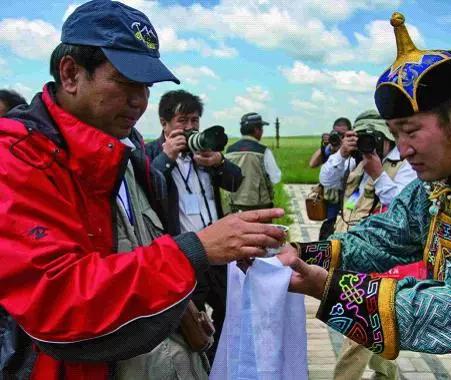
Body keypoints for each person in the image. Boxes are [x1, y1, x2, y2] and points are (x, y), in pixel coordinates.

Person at [0, 1, 285, 379]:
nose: (139, 100)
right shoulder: (18, 158)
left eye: (146, 86)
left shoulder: (124, 152)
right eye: (125, 81)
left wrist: (181, 308)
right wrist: (195, 251)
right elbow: (58, 300)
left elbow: (140, 245)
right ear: (71, 74)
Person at [279, 12, 451, 373]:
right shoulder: (443, 180)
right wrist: (300, 255)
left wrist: (330, 290)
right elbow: (386, 236)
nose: (403, 148)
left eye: (410, 130)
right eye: (395, 135)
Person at [145, 89, 243, 366]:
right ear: (164, 123)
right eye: (182, 120)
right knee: (189, 319)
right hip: (184, 252)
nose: (189, 128)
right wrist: (165, 160)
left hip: (219, 249)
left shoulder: (205, 150)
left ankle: (218, 361)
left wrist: (220, 162)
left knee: (231, 308)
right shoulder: (152, 154)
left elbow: (236, 182)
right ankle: (197, 365)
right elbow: (148, 191)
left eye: (195, 120)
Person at [331, 110, 417, 380]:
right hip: (352, 246)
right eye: (362, 137)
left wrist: (378, 173)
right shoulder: (354, 163)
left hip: (383, 256)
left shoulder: (406, 165)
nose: (368, 144)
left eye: (373, 137)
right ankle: (386, 373)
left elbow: (403, 206)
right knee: (379, 320)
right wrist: (342, 154)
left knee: (360, 323)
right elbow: (326, 181)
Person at [225, 112, 282, 212]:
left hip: (235, 207)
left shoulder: (229, 150)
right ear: (256, 130)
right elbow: (276, 178)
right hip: (260, 208)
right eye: (262, 129)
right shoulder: (263, 151)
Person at [318, 117, 356, 240]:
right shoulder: (331, 149)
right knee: (331, 225)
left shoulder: (354, 151)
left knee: (347, 221)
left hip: (351, 199)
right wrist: (326, 147)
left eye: (342, 134)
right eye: (336, 133)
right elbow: (313, 164)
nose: (338, 137)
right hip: (332, 199)